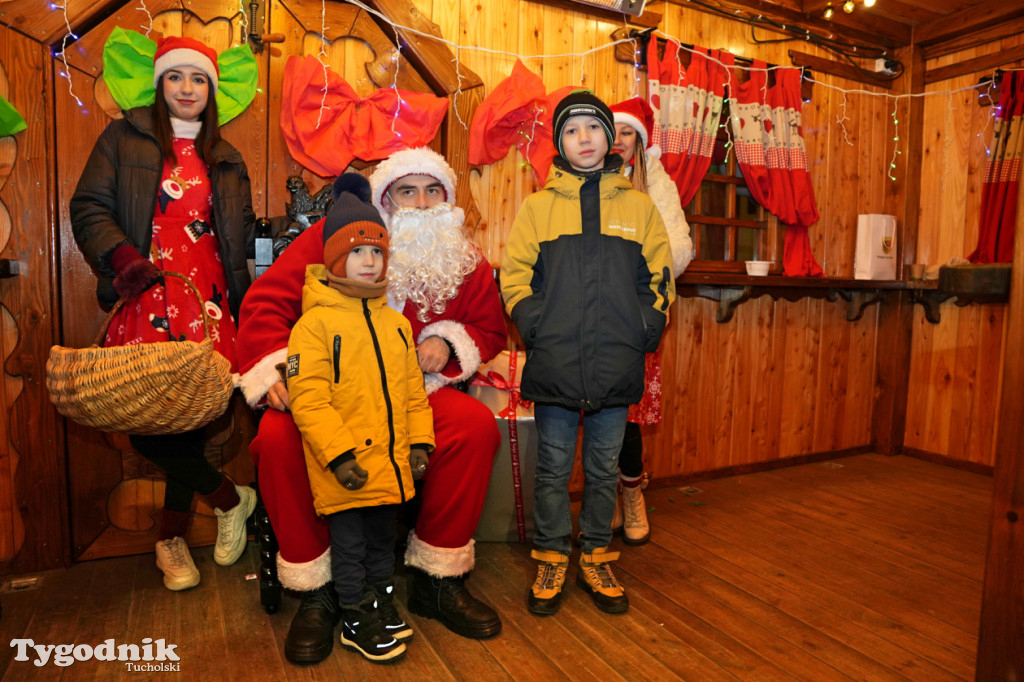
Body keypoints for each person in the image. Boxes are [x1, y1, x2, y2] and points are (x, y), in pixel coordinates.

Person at [236, 147, 506, 664]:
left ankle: (436, 577)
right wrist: (275, 369)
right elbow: (267, 303)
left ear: (448, 201)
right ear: (385, 198)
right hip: (328, 397)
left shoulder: (462, 257)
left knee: (473, 427)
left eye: (434, 191)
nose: (421, 203)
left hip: (410, 399)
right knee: (276, 437)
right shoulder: (340, 236)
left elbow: (488, 327)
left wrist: (449, 344)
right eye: (407, 191)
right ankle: (317, 590)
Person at [69, 35, 257, 591]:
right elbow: (88, 206)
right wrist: (122, 258)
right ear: (160, 84)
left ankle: (170, 540)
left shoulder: (227, 155)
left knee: (194, 417)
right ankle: (229, 499)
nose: (187, 88)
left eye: (199, 79)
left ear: (211, 91)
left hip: (208, 300)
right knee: (145, 422)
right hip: (149, 292)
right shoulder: (123, 137)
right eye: (177, 77)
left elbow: (239, 235)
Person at [500, 90, 675, 617]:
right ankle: (553, 555)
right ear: (560, 143)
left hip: (615, 362)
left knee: (603, 470)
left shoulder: (639, 208)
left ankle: (596, 553)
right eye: (572, 130)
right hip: (554, 362)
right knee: (552, 468)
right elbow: (515, 279)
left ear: (610, 139)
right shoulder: (537, 207)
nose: (584, 138)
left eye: (594, 129)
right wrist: (538, 327)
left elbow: (660, 279)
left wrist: (645, 328)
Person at [287, 173, 434, 663]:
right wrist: (340, 456)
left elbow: (413, 391)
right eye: (358, 252)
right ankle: (353, 614)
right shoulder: (315, 324)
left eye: (377, 252)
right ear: (334, 259)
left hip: (390, 466)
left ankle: (380, 600)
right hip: (345, 470)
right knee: (349, 549)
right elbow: (308, 398)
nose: (369, 262)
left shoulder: (395, 323)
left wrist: (419, 444)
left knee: (381, 544)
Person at [608, 96, 693, 545]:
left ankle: (632, 495)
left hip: (639, 312)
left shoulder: (657, 185)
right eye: (614, 132)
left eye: (627, 134)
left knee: (628, 414)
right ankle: (606, 498)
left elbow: (677, 249)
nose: (619, 141)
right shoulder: (589, 180)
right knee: (598, 410)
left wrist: (634, 266)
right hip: (595, 312)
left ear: (639, 143)